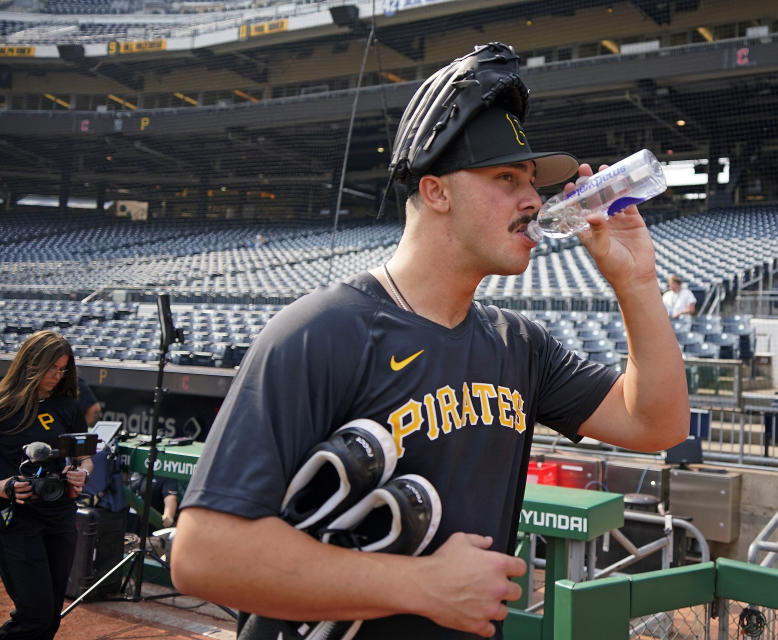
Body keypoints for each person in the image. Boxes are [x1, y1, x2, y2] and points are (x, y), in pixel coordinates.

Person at [171, 42, 688, 640]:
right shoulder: (322, 330)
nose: (534, 200)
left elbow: (659, 424)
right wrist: (422, 586)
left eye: (531, 182)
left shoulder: (519, 343)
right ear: (437, 191)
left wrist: (637, 282)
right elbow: (203, 554)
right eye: (505, 178)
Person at [0, 331, 94, 640]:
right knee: (34, 616)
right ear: (31, 363)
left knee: (50, 618)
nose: (57, 375)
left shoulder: (68, 406)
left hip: (60, 517)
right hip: (16, 521)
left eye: (63, 368)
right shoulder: (3, 405)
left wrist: (81, 473)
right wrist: (3, 486)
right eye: (51, 367)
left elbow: (84, 458)